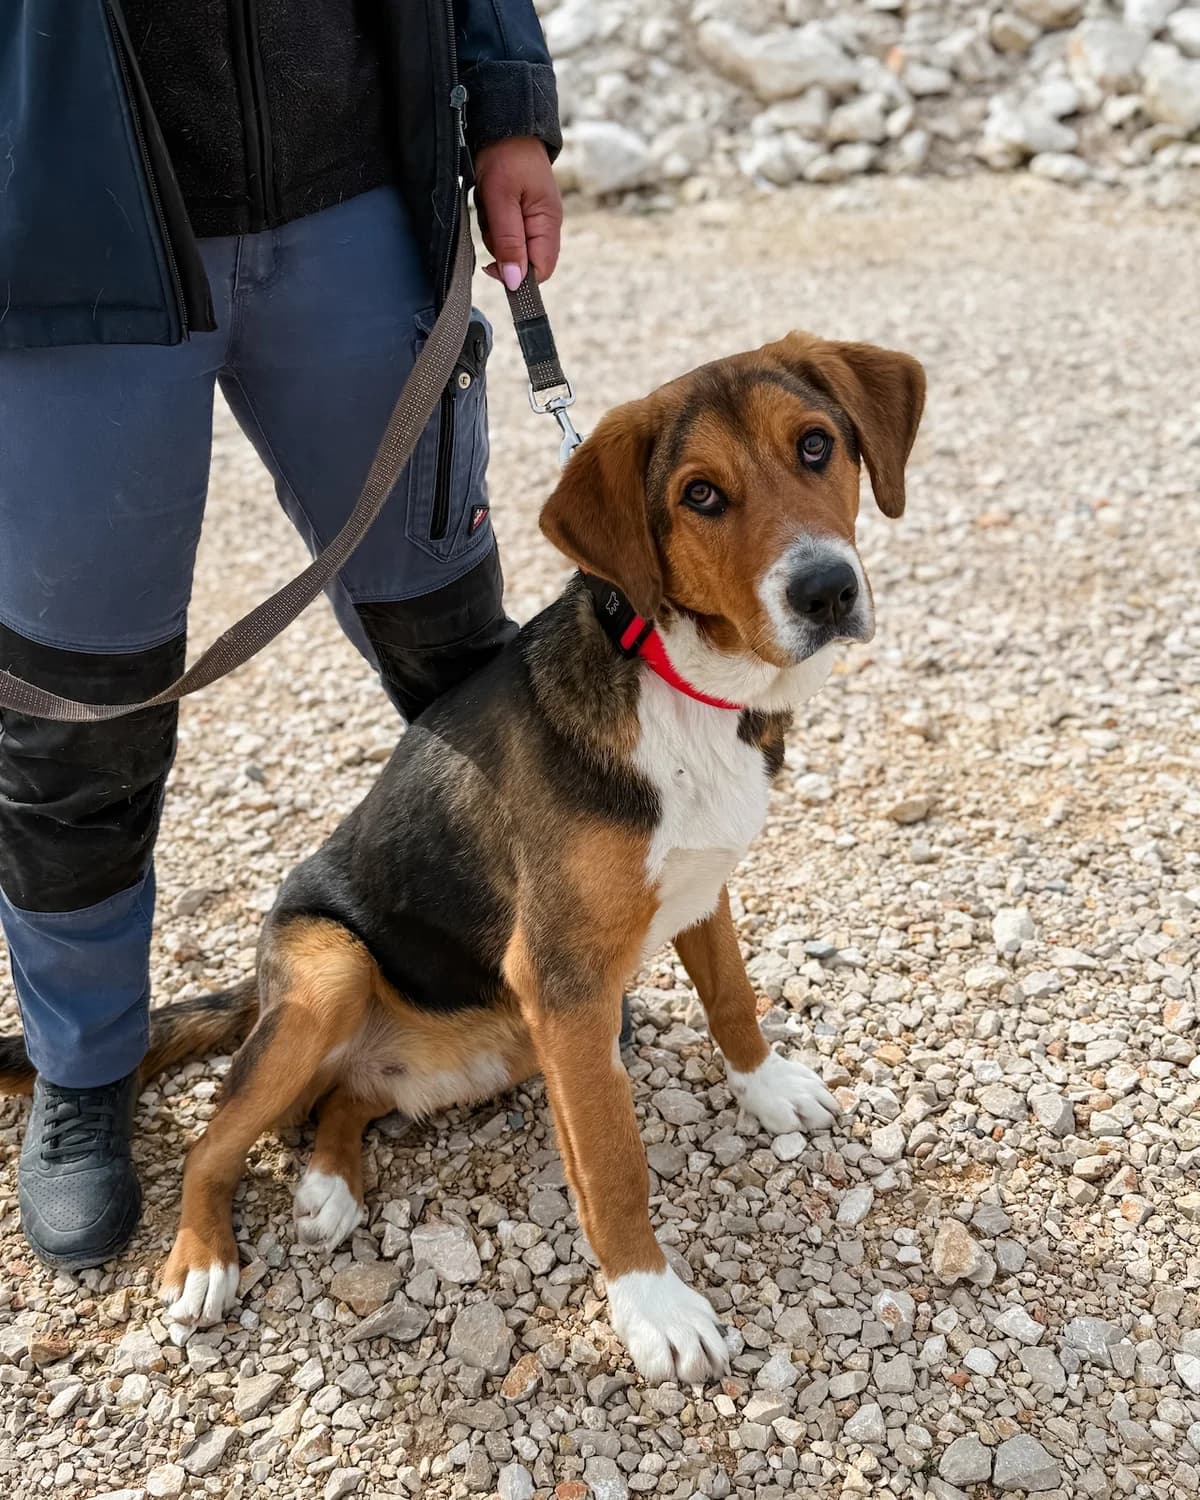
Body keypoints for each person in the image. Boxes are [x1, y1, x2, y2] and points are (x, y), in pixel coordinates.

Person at [0, 1, 562, 1270]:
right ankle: (84, 1069)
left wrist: (509, 108)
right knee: (76, 718)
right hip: (63, 228)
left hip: (351, 192)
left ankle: (540, 961)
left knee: (454, 648)